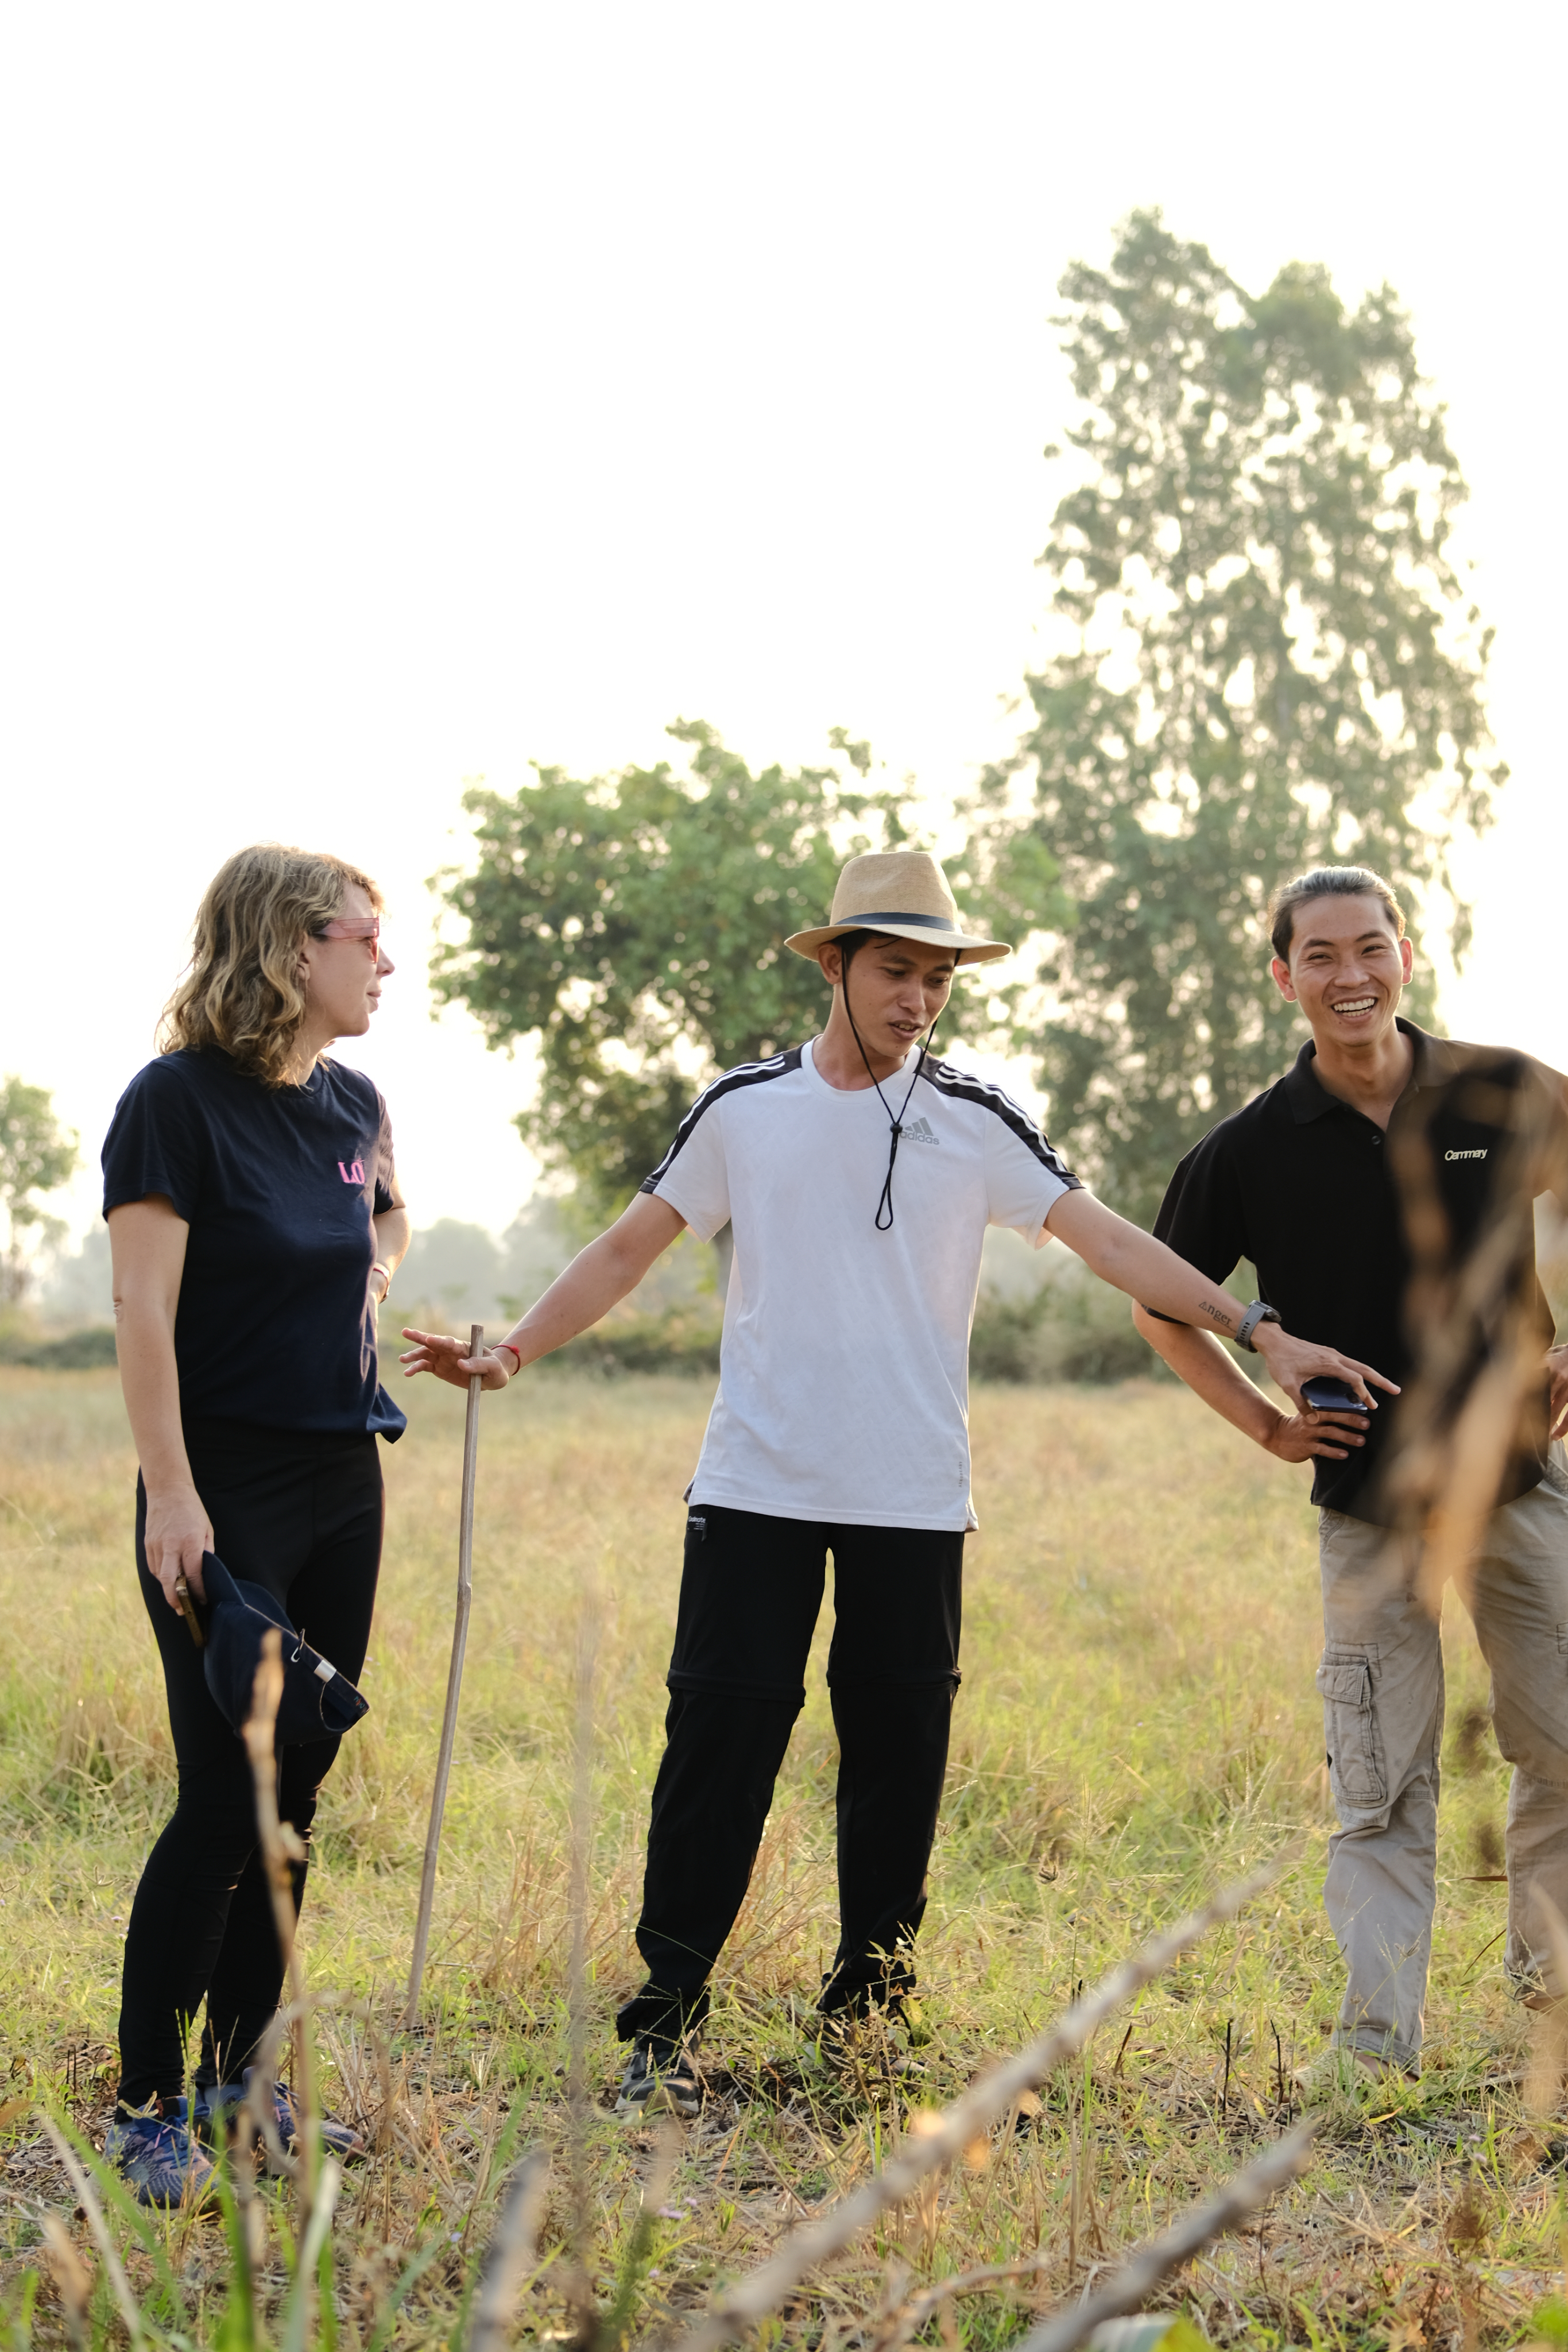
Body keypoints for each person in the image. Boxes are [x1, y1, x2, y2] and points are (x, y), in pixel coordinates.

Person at [402, 848, 1383, 2116]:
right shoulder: (744, 1109)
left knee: (896, 1760)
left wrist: (1260, 1332)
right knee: (718, 1747)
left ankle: (867, 2014)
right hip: (754, 1483)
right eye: (894, 970)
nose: (918, 998)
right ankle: (665, 2016)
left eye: (937, 976)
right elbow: (627, 1244)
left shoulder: (975, 1120)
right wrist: (515, 1346)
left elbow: (1112, 1245)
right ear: (835, 964)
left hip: (912, 1501)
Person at [1133, 864, 1568, 2087]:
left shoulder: (1503, 1088)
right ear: (1282, 977)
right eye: (1318, 955)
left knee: (1567, 1742)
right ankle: (1377, 2048)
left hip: (1521, 1484)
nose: (1349, 975)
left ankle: (1552, 2002)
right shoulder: (1249, 1148)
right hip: (1369, 1513)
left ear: (1405, 956)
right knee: (1381, 1781)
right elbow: (1162, 1308)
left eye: (1368, 946)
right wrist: (1262, 1422)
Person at [102, 844, 409, 2203]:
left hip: (348, 1484)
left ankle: (242, 2086)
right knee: (226, 1795)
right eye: (365, 937)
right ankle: (146, 2103)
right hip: (220, 1495)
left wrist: (377, 1284)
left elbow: (386, 1215)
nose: (384, 962)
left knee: (303, 1794)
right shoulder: (173, 1104)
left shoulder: (353, 1099)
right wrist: (173, 1495)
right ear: (293, 948)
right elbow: (141, 1314)